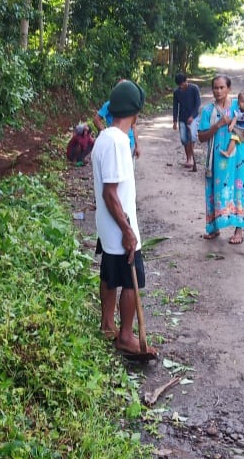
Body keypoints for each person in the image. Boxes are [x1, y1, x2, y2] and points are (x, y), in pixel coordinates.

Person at [92, 80, 155, 356]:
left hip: (107, 227)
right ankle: (126, 336)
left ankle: (108, 324)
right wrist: (128, 231)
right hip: (120, 226)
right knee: (131, 281)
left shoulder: (103, 137)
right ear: (136, 112)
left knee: (109, 273)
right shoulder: (118, 142)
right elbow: (110, 193)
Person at [197, 75, 244, 245]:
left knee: (238, 187)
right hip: (217, 158)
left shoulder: (239, 106)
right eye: (215, 87)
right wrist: (219, 124)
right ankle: (214, 227)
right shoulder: (208, 111)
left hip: (238, 157)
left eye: (222, 87)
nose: (218, 91)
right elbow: (201, 136)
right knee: (215, 189)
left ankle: (239, 229)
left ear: (229, 89)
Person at [94, 81, 140, 159]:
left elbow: (134, 126)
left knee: (129, 170)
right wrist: (105, 132)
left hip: (130, 143)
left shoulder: (129, 106)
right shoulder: (109, 105)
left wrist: (137, 145)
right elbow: (96, 119)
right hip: (116, 143)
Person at [172, 73, 202, 169]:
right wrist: (175, 121)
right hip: (182, 117)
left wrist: (192, 116)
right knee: (184, 138)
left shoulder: (194, 88)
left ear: (186, 81)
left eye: (182, 84)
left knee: (192, 136)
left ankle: (191, 158)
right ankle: (188, 158)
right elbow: (175, 107)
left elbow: (198, 104)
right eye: (179, 85)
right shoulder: (177, 92)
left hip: (193, 116)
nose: (181, 87)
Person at [220, 90, 244, 159]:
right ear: (238, 103)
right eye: (242, 101)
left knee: (237, 138)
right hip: (239, 129)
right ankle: (228, 153)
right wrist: (232, 125)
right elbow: (235, 118)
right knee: (233, 139)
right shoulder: (238, 111)